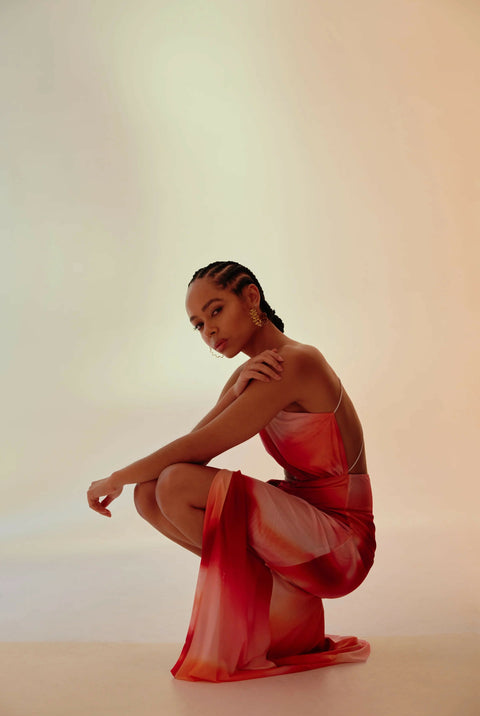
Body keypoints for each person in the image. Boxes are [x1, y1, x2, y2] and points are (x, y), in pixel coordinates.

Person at [87, 260, 376, 682]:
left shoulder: (296, 361)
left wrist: (115, 477)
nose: (209, 330)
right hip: (305, 527)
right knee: (148, 495)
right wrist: (233, 393)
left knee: (173, 484)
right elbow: (193, 451)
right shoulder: (251, 372)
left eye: (216, 311)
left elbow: (198, 450)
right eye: (198, 325)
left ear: (251, 298)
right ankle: (270, 592)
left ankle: (267, 595)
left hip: (342, 542)